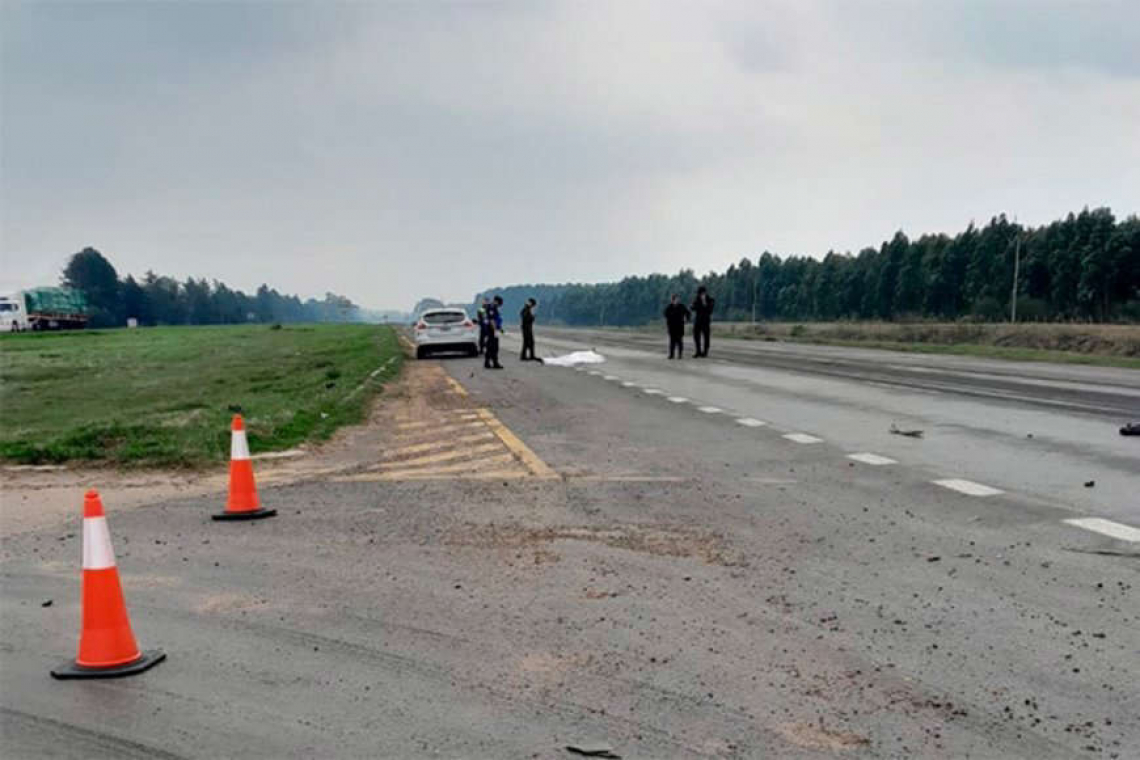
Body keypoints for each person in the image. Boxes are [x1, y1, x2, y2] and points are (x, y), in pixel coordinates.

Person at [663, 294, 690, 359]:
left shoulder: (682, 306)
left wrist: (687, 319)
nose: (676, 300)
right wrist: (669, 319)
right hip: (672, 327)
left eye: (677, 299)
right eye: (674, 299)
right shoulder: (669, 307)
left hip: (680, 326)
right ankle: (671, 355)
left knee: (680, 341)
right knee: (672, 342)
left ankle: (680, 355)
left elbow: (688, 313)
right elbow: (665, 314)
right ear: (672, 300)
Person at [691, 285, 715, 357]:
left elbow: (710, 310)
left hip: (706, 321)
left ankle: (705, 352)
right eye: (700, 294)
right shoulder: (697, 299)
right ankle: (698, 351)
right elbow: (693, 308)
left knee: (706, 337)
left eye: (702, 294)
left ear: (705, 293)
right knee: (696, 336)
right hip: (698, 320)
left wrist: (704, 302)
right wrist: (693, 305)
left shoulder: (710, 300)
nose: (701, 295)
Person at [519, 298, 543, 362]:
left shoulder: (526, 309)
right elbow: (526, 318)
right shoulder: (526, 309)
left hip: (527, 328)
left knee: (527, 342)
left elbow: (522, 315)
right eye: (533, 305)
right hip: (526, 328)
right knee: (529, 342)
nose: (533, 306)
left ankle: (527, 356)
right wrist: (532, 317)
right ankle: (528, 356)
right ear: (531, 303)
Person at [484, 296, 504, 370]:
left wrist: (500, 328)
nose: (499, 306)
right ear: (496, 301)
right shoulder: (492, 308)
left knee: (491, 346)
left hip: (494, 329)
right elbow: (492, 320)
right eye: (499, 304)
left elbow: (497, 319)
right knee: (493, 347)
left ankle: (488, 362)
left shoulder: (492, 307)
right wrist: (495, 330)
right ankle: (494, 363)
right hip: (492, 330)